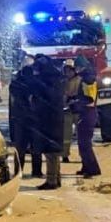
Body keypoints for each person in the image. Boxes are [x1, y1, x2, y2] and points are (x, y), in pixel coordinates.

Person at [30, 55, 65, 190]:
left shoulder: (45, 81)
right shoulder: (56, 78)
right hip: (55, 119)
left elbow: (42, 100)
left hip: (48, 120)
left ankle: (51, 181)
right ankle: (56, 178)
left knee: (50, 152)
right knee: (54, 151)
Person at [8, 63, 41, 177]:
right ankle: (36, 171)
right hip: (35, 119)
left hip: (20, 120)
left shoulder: (16, 84)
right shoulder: (36, 84)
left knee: (20, 147)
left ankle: (18, 171)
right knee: (35, 147)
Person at [71, 68, 101, 178]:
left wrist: (77, 103)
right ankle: (86, 167)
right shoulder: (90, 81)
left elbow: (90, 100)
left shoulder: (87, 82)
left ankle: (92, 169)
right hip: (88, 114)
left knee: (85, 144)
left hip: (87, 114)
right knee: (83, 143)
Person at [61, 61, 81, 164]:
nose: (67, 73)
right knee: (66, 135)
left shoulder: (80, 80)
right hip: (67, 110)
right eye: (66, 71)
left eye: (69, 71)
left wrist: (73, 98)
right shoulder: (63, 82)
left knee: (81, 135)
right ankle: (64, 155)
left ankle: (83, 156)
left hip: (78, 110)